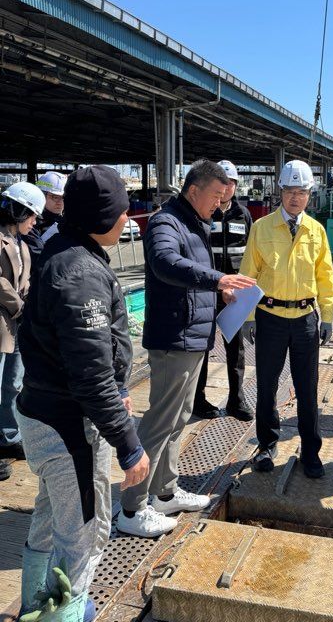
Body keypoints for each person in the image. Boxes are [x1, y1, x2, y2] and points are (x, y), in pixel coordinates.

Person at [16, 166, 150, 622]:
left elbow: (86, 362)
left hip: (42, 410)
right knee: (85, 533)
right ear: (102, 216)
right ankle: (65, 614)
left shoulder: (63, 248)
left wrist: (114, 387)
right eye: (122, 208)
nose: (129, 216)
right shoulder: (81, 274)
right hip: (68, 424)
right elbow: (90, 375)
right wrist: (129, 446)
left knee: (51, 518)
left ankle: (38, 602)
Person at [118, 160, 255, 538]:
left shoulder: (194, 221)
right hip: (174, 337)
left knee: (179, 419)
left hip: (193, 335)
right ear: (194, 190)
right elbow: (164, 263)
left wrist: (220, 291)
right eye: (215, 194)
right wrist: (218, 278)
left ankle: (164, 491)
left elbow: (191, 272)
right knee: (160, 421)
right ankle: (132, 509)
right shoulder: (167, 221)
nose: (221, 201)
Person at [240, 159, 333, 479]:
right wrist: (248, 316)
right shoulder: (262, 228)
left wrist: (328, 317)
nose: (295, 198)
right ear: (279, 191)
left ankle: (311, 452)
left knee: (307, 389)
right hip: (270, 318)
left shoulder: (316, 231)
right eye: (290, 191)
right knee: (266, 386)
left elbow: (325, 277)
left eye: (302, 192)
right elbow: (248, 275)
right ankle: (267, 445)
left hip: (306, 320)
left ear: (310, 195)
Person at [192, 159, 254, 422]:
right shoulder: (204, 213)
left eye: (232, 183)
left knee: (235, 349)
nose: (227, 188)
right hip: (209, 292)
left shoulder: (244, 215)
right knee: (203, 347)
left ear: (236, 186)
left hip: (236, 296)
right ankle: (199, 400)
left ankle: (236, 400)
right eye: (223, 183)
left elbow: (251, 253)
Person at [0, 182, 45, 483]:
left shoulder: (22, 244)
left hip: (15, 325)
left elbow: (24, 281)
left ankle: (8, 436)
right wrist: (21, 307)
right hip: (6, 320)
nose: (34, 222)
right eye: (31, 215)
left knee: (13, 383)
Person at [22, 171, 68, 267]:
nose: (60, 202)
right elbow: (37, 257)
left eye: (63, 197)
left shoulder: (65, 220)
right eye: (55, 197)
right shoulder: (30, 223)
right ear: (41, 195)